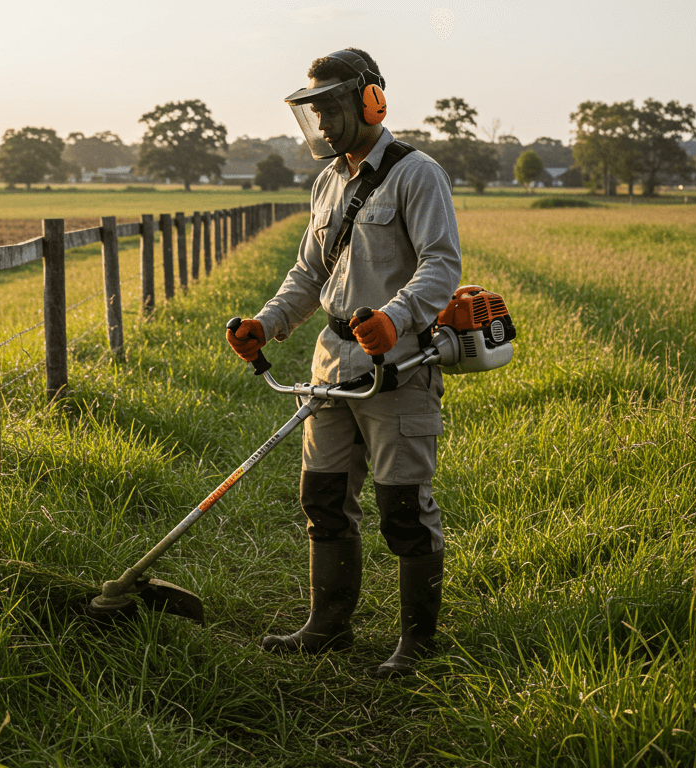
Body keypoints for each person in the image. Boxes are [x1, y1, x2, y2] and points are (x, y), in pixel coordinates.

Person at [226, 48, 461, 678]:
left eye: (333, 108)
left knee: (404, 507)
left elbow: (441, 263)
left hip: (399, 364)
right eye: (315, 111)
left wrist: (396, 317)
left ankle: (419, 647)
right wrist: (266, 325)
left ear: (371, 100)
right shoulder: (326, 182)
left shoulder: (418, 175)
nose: (324, 124)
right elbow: (309, 273)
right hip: (330, 365)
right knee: (323, 496)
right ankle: (327, 627)